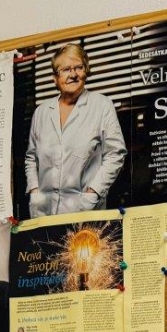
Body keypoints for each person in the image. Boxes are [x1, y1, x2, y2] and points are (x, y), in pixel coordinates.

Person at [24, 44, 127, 218]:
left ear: (86, 71)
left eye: (78, 67)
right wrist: (34, 191)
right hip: (43, 212)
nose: (73, 74)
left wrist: (93, 192)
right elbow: (31, 158)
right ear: (55, 78)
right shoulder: (41, 112)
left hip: (85, 210)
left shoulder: (101, 105)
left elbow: (115, 153)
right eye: (65, 69)